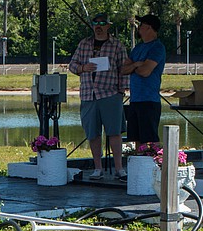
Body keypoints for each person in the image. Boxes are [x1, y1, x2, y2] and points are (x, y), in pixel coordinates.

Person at [68, 13, 128, 182]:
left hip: (110, 93)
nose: (99, 26)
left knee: (114, 132)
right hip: (88, 94)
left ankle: (119, 169)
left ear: (108, 26)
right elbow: (72, 66)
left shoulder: (117, 45)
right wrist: (83, 67)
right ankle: (97, 168)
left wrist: (121, 91)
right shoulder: (84, 44)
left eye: (102, 23)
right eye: (96, 23)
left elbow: (123, 69)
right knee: (93, 133)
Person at [122, 14, 166, 148]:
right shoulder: (137, 48)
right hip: (135, 99)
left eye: (141, 25)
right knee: (137, 138)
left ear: (149, 28)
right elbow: (124, 69)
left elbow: (145, 71)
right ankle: (140, 162)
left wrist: (135, 66)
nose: (139, 28)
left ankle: (155, 162)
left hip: (149, 100)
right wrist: (136, 64)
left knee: (151, 138)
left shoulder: (157, 47)